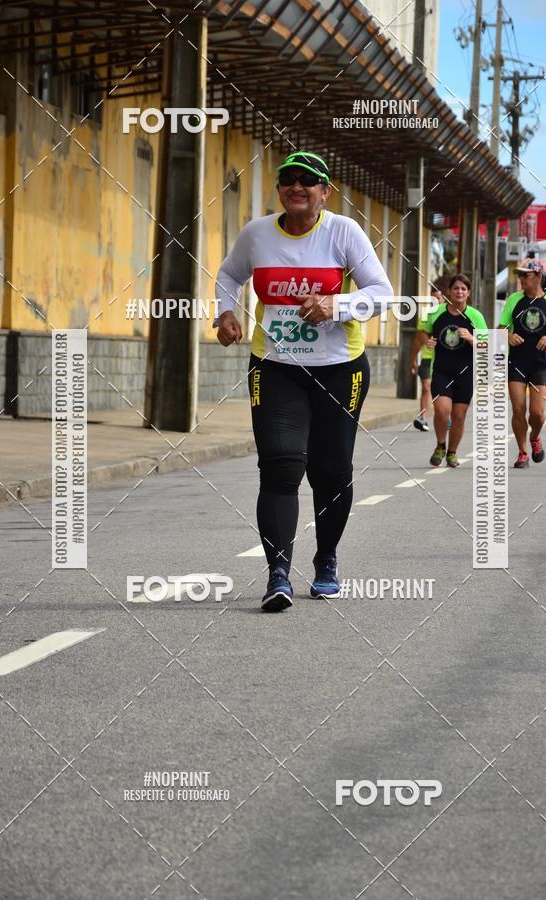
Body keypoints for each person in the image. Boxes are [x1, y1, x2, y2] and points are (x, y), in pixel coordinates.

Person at [215, 150, 393, 611]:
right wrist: (226, 313)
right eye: (288, 180)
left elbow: (381, 293)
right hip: (275, 366)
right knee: (280, 465)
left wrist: (338, 305)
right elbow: (229, 274)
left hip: (340, 367)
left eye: (308, 181)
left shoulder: (343, 232)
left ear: (324, 191)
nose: (297, 187)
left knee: (331, 472)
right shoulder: (257, 234)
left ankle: (327, 559)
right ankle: (278, 572)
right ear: (279, 189)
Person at [499, 259, 546, 468]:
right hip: (516, 362)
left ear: (538, 277)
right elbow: (500, 327)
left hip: (540, 363)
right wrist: (508, 335)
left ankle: (535, 437)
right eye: (519, 275)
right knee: (518, 409)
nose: (520, 279)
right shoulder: (513, 300)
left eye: (525, 275)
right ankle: (522, 453)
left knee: (537, 414)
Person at [420, 274, 488, 468]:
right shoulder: (436, 312)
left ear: (468, 293)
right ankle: (440, 445)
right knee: (442, 411)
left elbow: (488, 345)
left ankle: (452, 452)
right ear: (449, 291)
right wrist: (428, 341)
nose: (459, 292)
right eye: (456, 288)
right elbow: (424, 333)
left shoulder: (475, 316)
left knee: (459, 415)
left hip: (466, 374)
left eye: (463, 289)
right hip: (442, 371)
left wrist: (471, 338)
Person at [409, 287, 442, 432]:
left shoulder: (448, 314)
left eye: (438, 299)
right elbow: (418, 340)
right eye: (432, 300)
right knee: (426, 387)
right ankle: (423, 418)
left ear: (443, 299)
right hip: (427, 358)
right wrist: (412, 360)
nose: (435, 302)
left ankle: (446, 416)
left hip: (443, 359)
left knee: (441, 390)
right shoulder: (425, 315)